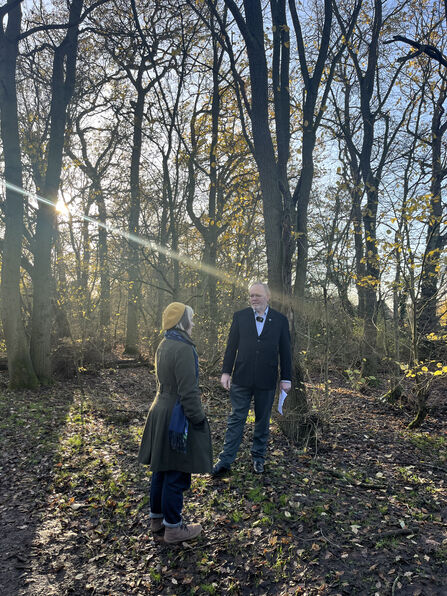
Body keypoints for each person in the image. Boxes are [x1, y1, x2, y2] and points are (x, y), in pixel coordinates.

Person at [138, 302, 212, 543]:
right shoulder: (183, 348)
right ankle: (173, 528)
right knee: (176, 471)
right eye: (191, 319)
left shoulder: (164, 343)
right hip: (176, 416)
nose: (193, 323)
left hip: (159, 408)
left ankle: (157, 520)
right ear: (182, 321)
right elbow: (188, 392)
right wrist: (198, 418)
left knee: (161, 468)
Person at [212, 282, 292, 476]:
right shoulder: (240, 317)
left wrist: (286, 378)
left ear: (268, 296)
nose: (253, 298)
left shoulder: (280, 320)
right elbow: (231, 346)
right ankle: (225, 460)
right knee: (236, 419)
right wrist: (225, 372)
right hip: (241, 377)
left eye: (257, 295)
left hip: (267, 378)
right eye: (251, 295)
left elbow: (286, 351)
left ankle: (258, 458)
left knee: (262, 421)